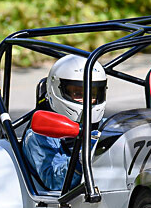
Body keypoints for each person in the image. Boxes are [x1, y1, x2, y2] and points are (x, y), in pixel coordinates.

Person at [23, 55, 108, 191]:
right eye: (78, 94)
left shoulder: (105, 126)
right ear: (57, 90)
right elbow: (54, 181)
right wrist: (81, 158)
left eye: (92, 94)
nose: (86, 100)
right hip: (67, 201)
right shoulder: (39, 135)